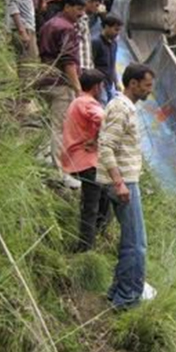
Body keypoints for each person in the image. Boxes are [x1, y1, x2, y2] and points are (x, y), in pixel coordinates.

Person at [97, 63, 155, 309]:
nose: (149, 91)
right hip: (123, 182)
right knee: (136, 243)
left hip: (124, 180)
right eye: (147, 85)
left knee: (131, 241)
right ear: (133, 84)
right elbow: (106, 146)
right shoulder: (121, 108)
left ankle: (117, 292)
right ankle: (127, 299)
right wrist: (119, 183)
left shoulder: (123, 106)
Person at [61, 69, 110, 252]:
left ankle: (97, 236)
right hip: (88, 160)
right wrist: (96, 139)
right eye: (102, 86)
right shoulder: (88, 102)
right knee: (91, 206)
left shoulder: (76, 102)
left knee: (103, 197)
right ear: (97, 87)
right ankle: (86, 248)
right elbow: (105, 119)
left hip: (75, 160)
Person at [38, 0, 86, 169]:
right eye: (78, 9)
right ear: (67, 7)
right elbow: (69, 61)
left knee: (50, 122)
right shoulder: (67, 28)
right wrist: (78, 88)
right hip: (60, 83)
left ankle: (43, 158)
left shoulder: (48, 24)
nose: (81, 14)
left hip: (44, 79)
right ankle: (61, 170)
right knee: (61, 127)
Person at [6, 0, 44, 84]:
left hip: (25, 26)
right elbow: (13, 4)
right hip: (24, 27)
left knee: (26, 66)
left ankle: (21, 99)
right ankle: (22, 100)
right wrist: (22, 31)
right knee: (28, 68)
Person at [92, 15, 123, 105]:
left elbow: (112, 65)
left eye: (119, 30)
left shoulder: (114, 44)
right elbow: (90, 64)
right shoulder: (96, 42)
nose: (117, 33)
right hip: (99, 84)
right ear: (106, 27)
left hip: (109, 84)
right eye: (115, 29)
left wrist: (116, 82)